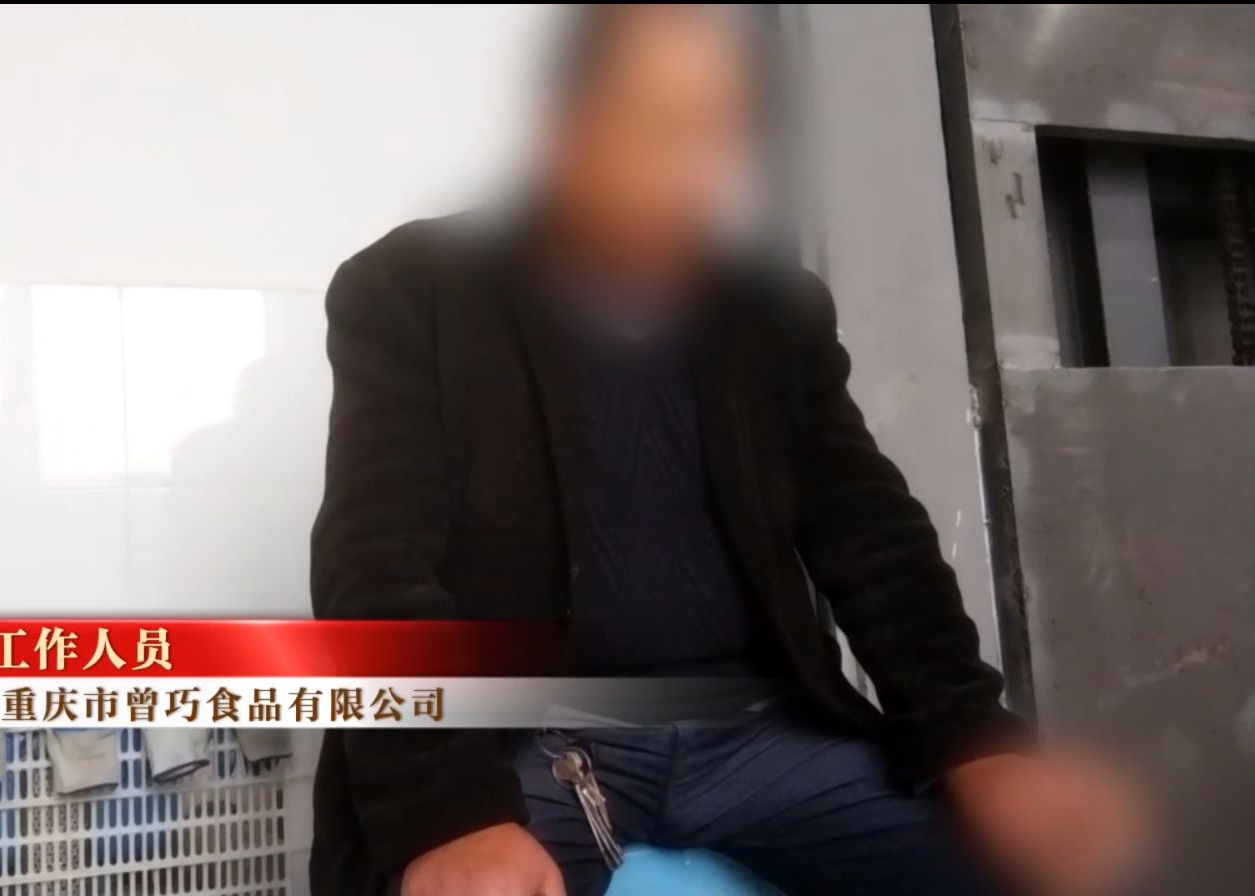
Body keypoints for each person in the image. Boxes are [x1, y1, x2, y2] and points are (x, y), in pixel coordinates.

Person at [310, 6, 1143, 895]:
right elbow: (373, 564)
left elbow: (872, 536)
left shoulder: (772, 310)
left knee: (1012, 871)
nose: (685, 169)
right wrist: (447, 811)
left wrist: (971, 736)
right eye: (652, 124)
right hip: (537, 739)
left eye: (714, 132)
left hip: (763, 736)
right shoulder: (416, 290)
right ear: (566, 126)